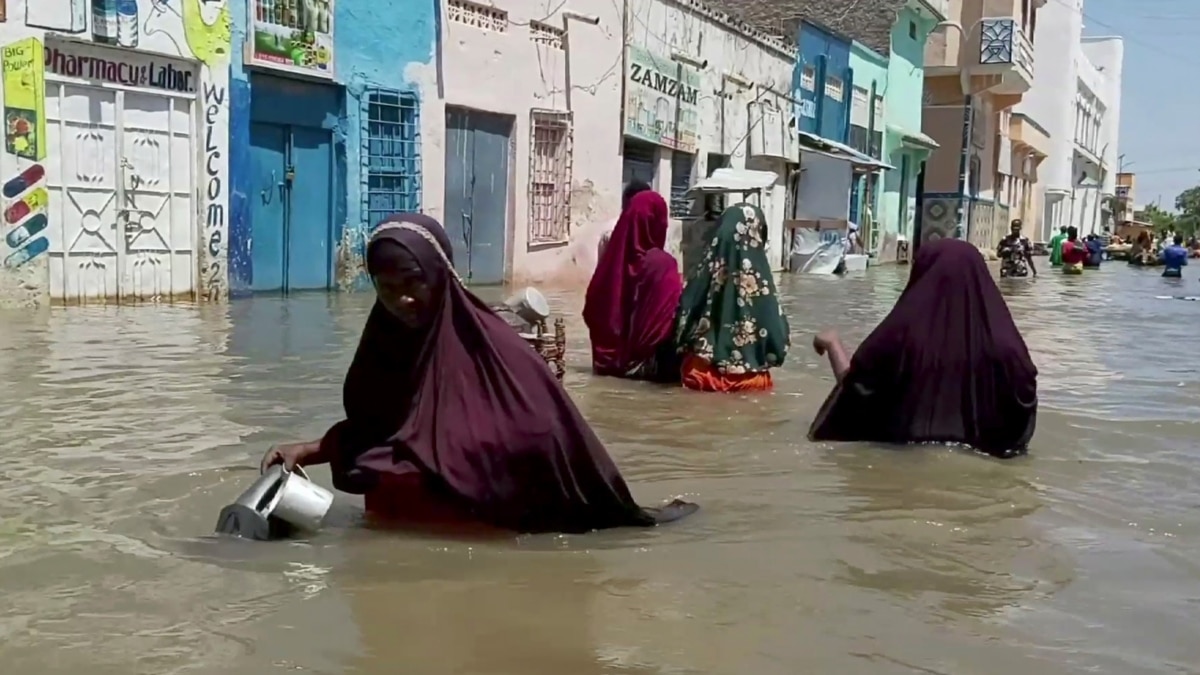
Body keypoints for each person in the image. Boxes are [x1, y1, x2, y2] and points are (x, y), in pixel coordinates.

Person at [261, 214, 697, 534]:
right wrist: (309, 449)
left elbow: (544, 435)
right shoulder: (382, 351)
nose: (402, 300)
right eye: (386, 287)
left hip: (474, 544)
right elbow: (380, 429)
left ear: (439, 275)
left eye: (414, 282)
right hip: (390, 545)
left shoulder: (502, 356)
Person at [808, 238, 1037, 459]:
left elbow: (854, 395)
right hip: (980, 478)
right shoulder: (1006, 346)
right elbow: (1022, 408)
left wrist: (833, 344)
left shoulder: (897, 335)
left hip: (899, 467)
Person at [674, 203, 790, 392]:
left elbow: (681, 325)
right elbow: (779, 342)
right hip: (750, 383)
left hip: (701, 377)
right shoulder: (763, 288)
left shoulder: (700, 279)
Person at [583, 190, 683, 381]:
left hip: (608, 367)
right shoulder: (663, 265)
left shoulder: (608, 269)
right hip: (649, 372)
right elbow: (668, 323)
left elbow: (593, 311)